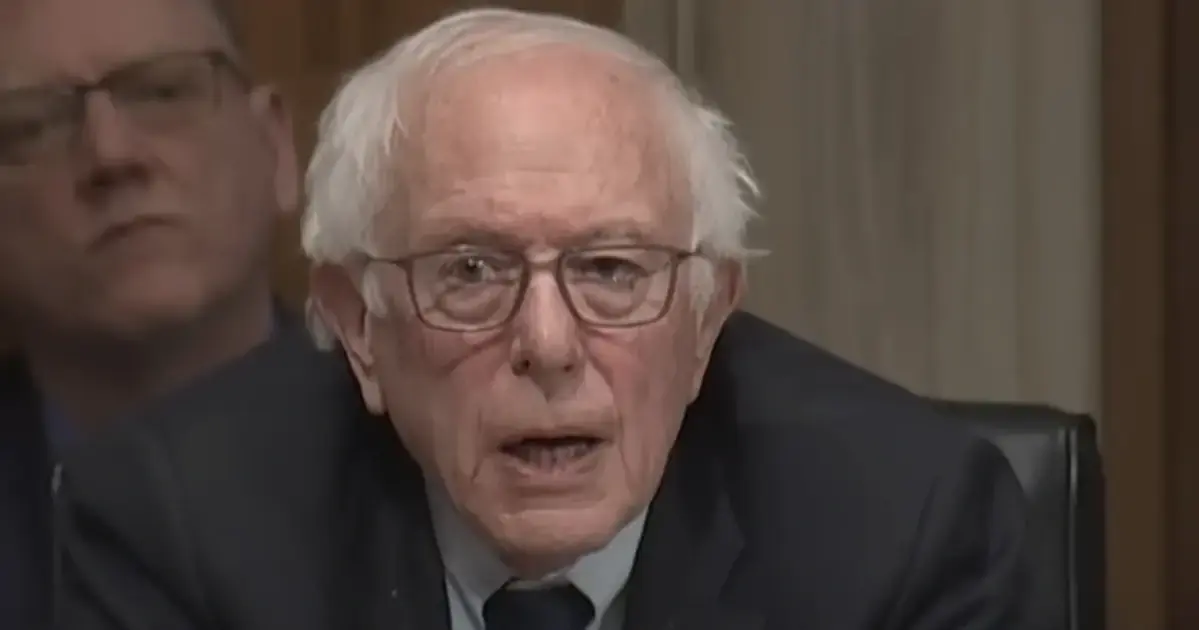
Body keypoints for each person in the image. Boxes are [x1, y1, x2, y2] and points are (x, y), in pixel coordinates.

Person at [55, 8, 1030, 630]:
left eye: (611, 269)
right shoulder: (173, 524)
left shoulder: (902, 528)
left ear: (704, 321)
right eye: (471, 270)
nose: (549, 346)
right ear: (359, 326)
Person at [0, 0, 298, 626]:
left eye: (163, 91)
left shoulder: (438, 460)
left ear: (275, 147)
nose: (111, 154)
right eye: (29, 126)